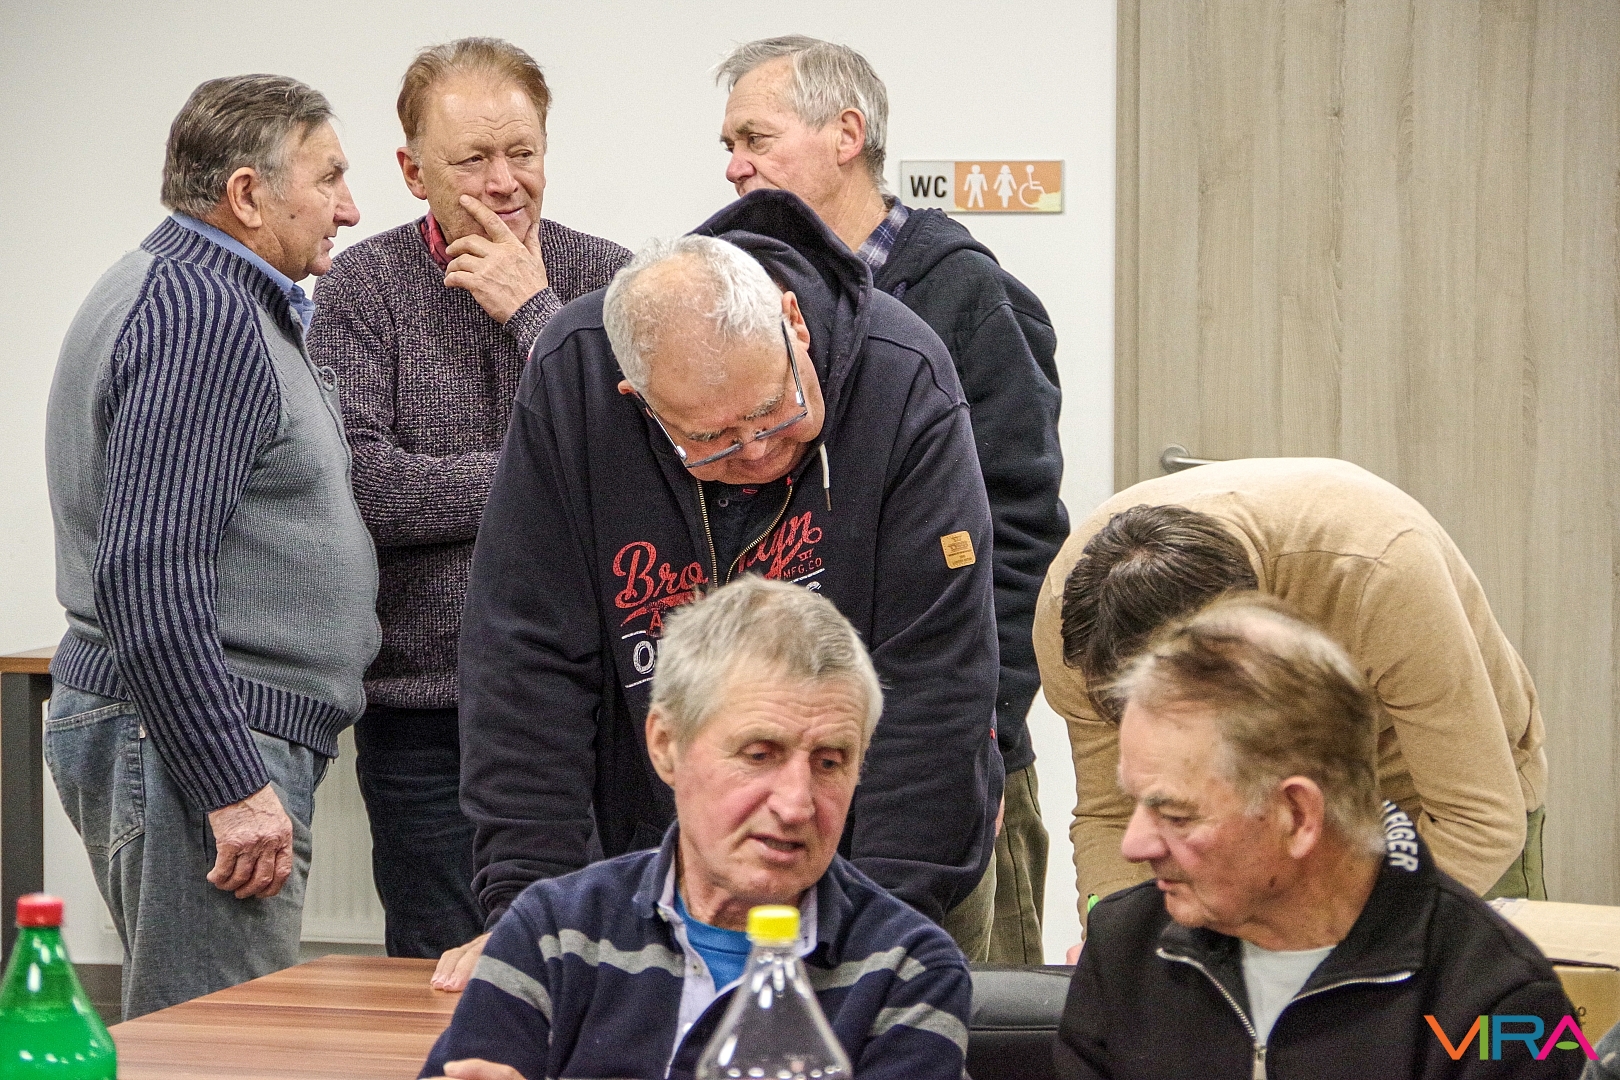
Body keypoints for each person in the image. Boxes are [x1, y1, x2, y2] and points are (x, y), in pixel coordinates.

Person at [438, 189, 1001, 988]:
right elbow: (523, 664)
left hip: (878, 863)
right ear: (641, 403)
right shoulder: (577, 377)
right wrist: (534, 909)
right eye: (711, 439)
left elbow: (936, 680)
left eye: (773, 411)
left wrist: (876, 930)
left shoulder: (902, 375)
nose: (759, 451)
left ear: (793, 325)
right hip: (652, 871)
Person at [715, 35, 1067, 963]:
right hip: (793, 751)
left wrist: (982, 742)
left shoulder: (969, 297)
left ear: (846, 135)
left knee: (959, 1009)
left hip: (945, 745)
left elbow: (1020, 537)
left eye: (756, 137)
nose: (734, 164)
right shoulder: (738, 297)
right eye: (729, 144)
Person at [43, 75, 377, 1018]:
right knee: (217, 1047)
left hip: (186, 729)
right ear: (246, 195)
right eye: (329, 177)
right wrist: (230, 783)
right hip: (201, 736)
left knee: (203, 1035)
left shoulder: (189, 290)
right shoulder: (204, 315)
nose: (350, 207)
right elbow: (149, 573)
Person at [308, 37, 630, 959]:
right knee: (438, 976)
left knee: (601, 962)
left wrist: (539, 316)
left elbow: (643, 466)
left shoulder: (610, 278)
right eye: (472, 160)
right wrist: (549, 478)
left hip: (597, 702)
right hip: (424, 713)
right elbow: (365, 487)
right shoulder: (362, 286)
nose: (503, 182)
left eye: (521, 152)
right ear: (413, 172)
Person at [423, 576, 971, 1080]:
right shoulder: (555, 932)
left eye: (829, 762)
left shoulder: (906, 968)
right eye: (759, 754)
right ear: (666, 746)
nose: (796, 805)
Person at [1055, 594, 1584, 1079]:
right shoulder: (1123, 950)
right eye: (1135, 803)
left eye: (1175, 815)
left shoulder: (1503, 1005)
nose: (1134, 846)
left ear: (1297, 815)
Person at [1033, 458, 1549, 916]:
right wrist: (1115, 931)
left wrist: (1338, 948)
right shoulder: (1074, 623)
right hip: (1240, 829)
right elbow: (1112, 815)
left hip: (1414, 807)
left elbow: (1477, 820)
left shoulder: (1380, 572)